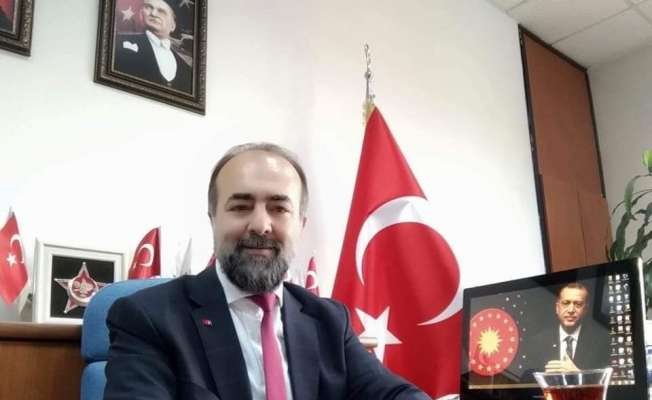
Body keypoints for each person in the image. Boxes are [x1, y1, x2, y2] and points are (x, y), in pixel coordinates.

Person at [104, 142, 430, 400]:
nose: (260, 225)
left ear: (300, 225)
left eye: (278, 208)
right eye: (241, 206)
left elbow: (394, 394)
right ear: (213, 219)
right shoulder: (149, 317)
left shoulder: (329, 321)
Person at [530, 283, 610, 374]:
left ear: (585, 310)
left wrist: (578, 374)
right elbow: (529, 378)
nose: (571, 310)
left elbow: (607, 379)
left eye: (578, 304)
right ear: (557, 307)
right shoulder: (540, 341)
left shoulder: (601, 342)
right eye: (565, 303)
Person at [113, 0, 192, 93]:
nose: (153, 13)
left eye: (161, 11)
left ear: (173, 26)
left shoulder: (186, 69)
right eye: (148, 7)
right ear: (141, 15)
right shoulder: (119, 43)